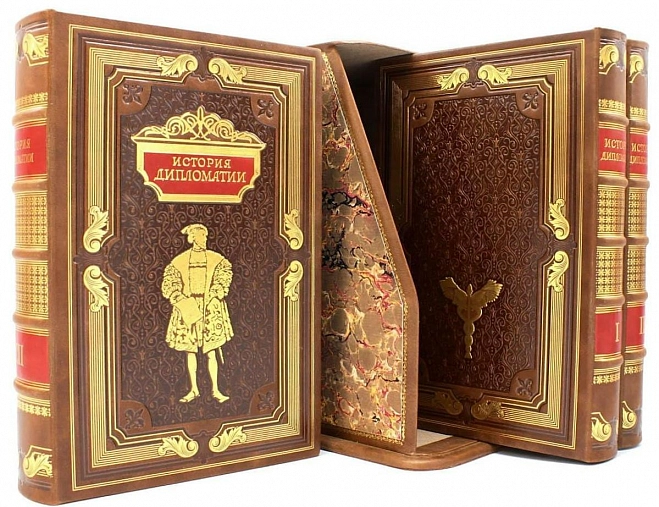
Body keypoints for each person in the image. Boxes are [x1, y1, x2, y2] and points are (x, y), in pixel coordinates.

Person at [161, 224, 234, 403]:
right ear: (193, 238)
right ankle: (194, 389)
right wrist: (180, 299)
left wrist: (216, 293)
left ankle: (215, 390)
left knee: (211, 351)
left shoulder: (216, 259)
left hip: (210, 307)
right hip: (189, 307)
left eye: (205, 236)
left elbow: (223, 277)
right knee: (190, 351)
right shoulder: (179, 261)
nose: (204, 239)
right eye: (201, 236)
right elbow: (170, 283)